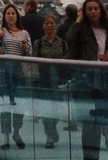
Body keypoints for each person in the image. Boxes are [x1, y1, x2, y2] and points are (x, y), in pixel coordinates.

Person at [64, 0, 108, 160]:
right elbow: (69, 37)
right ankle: (90, 156)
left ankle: (96, 151)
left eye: (96, 8)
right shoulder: (82, 30)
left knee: (100, 119)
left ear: (101, 10)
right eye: (89, 9)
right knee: (88, 122)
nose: (93, 12)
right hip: (85, 81)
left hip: (104, 80)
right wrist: (79, 18)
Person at [0, 4, 30, 149]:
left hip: (19, 74)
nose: (10, 16)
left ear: (17, 16)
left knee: (19, 106)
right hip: (4, 74)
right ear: (4, 17)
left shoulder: (24, 33)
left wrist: (25, 48)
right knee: (5, 106)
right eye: (8, 13)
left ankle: (16, 133)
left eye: (13, 13)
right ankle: (6, 138)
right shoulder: (1, 32)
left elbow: (30, 53)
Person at [31, 13, 68, 149]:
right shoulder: (38, 43)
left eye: (52, 23)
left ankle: (53, 128)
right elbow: (33, 62)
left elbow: (66, 61)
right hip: (43, 81)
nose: (49, 25)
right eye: (47, 23)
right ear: (43, 26)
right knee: (46, 109)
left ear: (56, 25)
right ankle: (49, 134)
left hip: (58, 81)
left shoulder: (62, 43)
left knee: (57, 109)